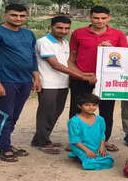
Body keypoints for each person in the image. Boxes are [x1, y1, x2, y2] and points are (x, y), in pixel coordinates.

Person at [0, 3, 41, 162]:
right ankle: (3, 147)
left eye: (22, 16)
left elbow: (32, 57)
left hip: (25, 80)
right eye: (14, 15)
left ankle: (5, 142)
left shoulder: (28, 34)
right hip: (5, 80)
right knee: (4, 115)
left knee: (14, 115)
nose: (18, 18)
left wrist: (36, 77)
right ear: (5, 15)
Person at [68, 5, 128, 151]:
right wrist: (82, 75)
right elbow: (71, 59)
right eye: (96, 17)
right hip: (82, 78)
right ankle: (76, 141)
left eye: (103, 18)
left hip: (107, 80)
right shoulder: (78, 33)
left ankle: (104, 140)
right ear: (90, 17)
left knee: (106, 111)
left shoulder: (118, 35)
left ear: (109, 18)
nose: (99, 21)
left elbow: (125, 58)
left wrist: (110, 50)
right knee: (77, 110)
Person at [33, 15, 93, 154]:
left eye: (66, 28)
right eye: (59, 27)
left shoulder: (65, 43)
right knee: (46, 112)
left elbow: (68, 64)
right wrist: (82, 76)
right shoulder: (44, 42)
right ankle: (42, 142)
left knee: (56, 112)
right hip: (48, 83)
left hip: (63, 83)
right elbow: (55, 65)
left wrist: (85, 73)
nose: (63, 30)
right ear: (51, 27)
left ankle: (41, 138)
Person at [66, 93, 114, 170]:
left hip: (96, 146)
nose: (91, 107)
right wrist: (87, 150)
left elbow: (102, 135)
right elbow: (75, 139)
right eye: (87, 105)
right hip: (81, 147)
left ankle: (82, 157)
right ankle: (78, 155)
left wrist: (102, 146)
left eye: (94, 105)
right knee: (89, 163)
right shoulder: (74, 121)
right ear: (79, 106)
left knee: (109, 161)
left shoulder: (100, 120)